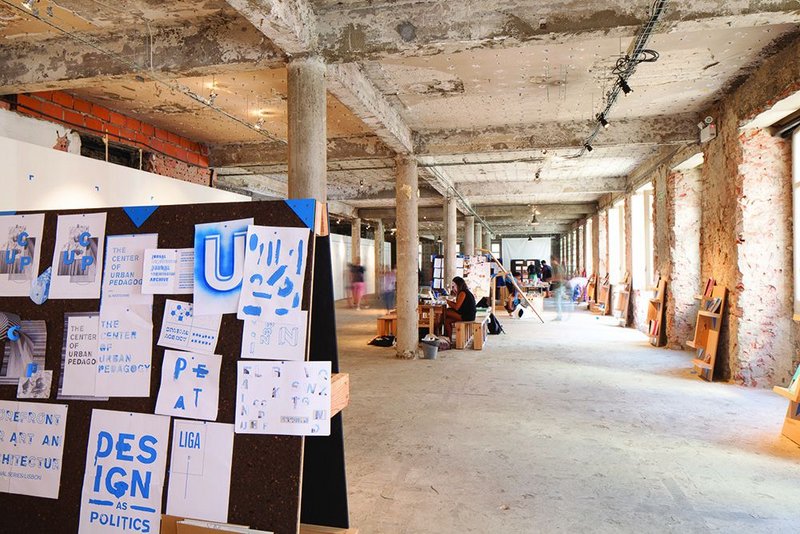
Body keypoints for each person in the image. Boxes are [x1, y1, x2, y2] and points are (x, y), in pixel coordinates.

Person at [550, 256, 567, 321]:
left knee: (557, 303)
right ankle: (559, 316)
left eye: (551, 261)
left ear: (554, 260)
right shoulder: (560, 267)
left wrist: (550, 279)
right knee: (558, 302)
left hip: (558, 286)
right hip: (561, 286)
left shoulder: (556, 267)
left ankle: (559, 317)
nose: (551, 262)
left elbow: (559, 277)